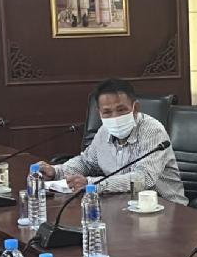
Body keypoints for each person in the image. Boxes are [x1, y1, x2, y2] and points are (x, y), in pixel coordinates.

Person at [37, 78, 187, 205]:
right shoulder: (104, 131)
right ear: (100, 113)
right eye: (107, 112)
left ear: (135, 108)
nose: (115, 117)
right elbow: (86, 162)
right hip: (123, 205)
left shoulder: (152, 131)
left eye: (121, 110)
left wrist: (92, 184)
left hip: (165, 207)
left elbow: (143, 178)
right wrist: (57, 172)